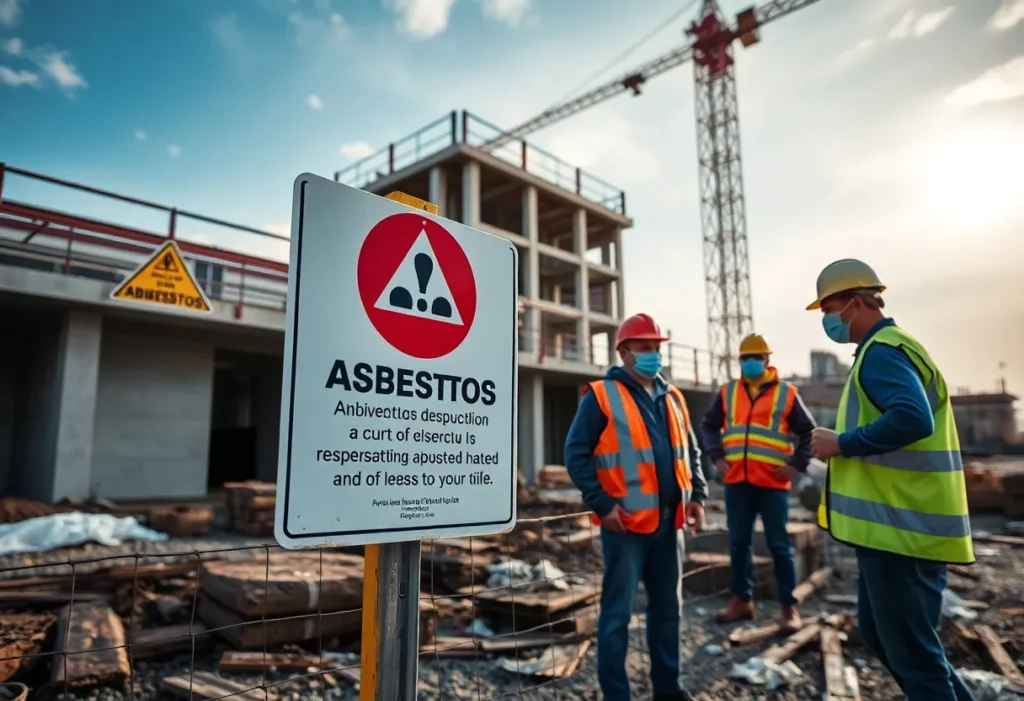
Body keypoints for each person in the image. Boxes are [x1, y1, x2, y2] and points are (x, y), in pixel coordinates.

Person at [808, 258, 976, 701]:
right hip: (892, 530)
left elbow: (912, 418)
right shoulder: (887, 349)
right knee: (885, 639)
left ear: (859, 303)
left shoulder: (882, 353)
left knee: (914, 656)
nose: (827, 320)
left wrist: (841, 443)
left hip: (902, 532)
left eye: (831, 308)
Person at [564, 312, 707, 701]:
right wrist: (601, 505)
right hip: (623, 526)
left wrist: (697, 496)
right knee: (616, 618)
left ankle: (668, 689)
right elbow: (576, 455)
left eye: (657, 348)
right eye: (644, 348)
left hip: (670, 524)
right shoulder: (601, 395)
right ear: (624, 352)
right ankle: (616, 696)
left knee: (668, 612)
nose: (653, 355)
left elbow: (690, 451)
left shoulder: (673, 396)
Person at [699, 333, 816, 632]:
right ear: (739, 361)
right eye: (746, 358)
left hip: (772, 484)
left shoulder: (787, 394)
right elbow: (709, 426)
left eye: (757, 357)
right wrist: (716, 456)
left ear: (767, 360)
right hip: (737, 482)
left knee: (779, 544)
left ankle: (788, 608)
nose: (751, 363)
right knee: (738, 542)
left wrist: (796, 465)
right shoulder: (727, 393)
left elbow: (808, 433)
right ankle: (741, 600)